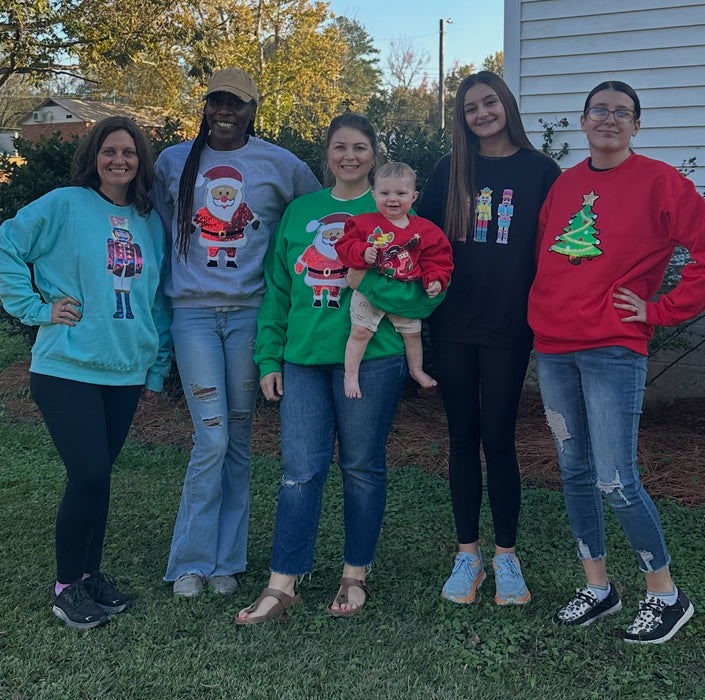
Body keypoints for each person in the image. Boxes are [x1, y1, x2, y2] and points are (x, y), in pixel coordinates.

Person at [235, 113, 444, 624]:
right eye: (339, 147)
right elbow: (278, 289)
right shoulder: (301, 211)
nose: (349, 156)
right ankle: (282, 582)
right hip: (303, 359)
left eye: (360, 148)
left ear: (375, 155)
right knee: (299, 472)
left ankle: (355, 572)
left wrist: (368, 286)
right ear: (326, 154)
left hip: (374, 359)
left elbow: (424, 291)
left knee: (361, 466)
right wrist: (269, 355)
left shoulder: (396, 215)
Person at [528, 80, 704, 644]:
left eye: (621, 113)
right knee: (574, 471)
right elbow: (546, 256)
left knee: (615, 477)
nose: (609, 120)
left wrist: (661, 309)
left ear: (636, 125)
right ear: (582, 122)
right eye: (598, 111)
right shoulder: (565, 186)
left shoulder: (661, 183)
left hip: (612, 350)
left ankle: (666, 595)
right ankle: (598, 585)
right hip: (553, 349)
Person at [152, 68, 320, 598]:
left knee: (241, 441)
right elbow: (153, 218)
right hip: (195, 316)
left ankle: (226, 561)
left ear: (253, 109)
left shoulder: (281, 164)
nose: (225, 110)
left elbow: (317, 212)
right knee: (213, 436)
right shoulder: (173, 161)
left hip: (251, 314)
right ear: (205, 105)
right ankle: (190, 562)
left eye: (237, 103)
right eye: (216, 101)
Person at [0, 117, 171, 629]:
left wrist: (157, 365)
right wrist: (35, 307)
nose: (119, 160)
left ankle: (90, 576)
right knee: (89, 473)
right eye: (109, 150)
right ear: (93, 156)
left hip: (123, 370)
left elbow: (156, 298)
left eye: (129, 152)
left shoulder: (149, 222)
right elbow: (6, 242)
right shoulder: (64, 204)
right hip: (66, 366)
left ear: (142, 160)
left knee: (99, 480)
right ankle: (65, 587)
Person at [417, 72, 561, 606]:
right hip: (453, 324)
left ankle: (506, 556)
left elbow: (562, 245)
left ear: (507, 105)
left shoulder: (541, 171)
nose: (481, 113)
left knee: (499, 439)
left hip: (509, 327)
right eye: (471, 107)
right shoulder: (449, 169)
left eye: (490, 102)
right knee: (461, 438)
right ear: (462, 118)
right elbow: (422, 237)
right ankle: (466, 554)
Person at [336, 161, 453, 399]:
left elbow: (437, 258)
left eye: (401, 193)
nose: (392, 199)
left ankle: (416, 370)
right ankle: (350, 374)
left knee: (412, 335)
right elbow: (343, 246)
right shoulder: (362, 224)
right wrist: (361, 252)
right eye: (385, 193)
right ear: (374, 195)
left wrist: (436, 279)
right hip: (368, 291)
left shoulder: (425, 230)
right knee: (360, 332)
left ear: (413, 196)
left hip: (404, 290)